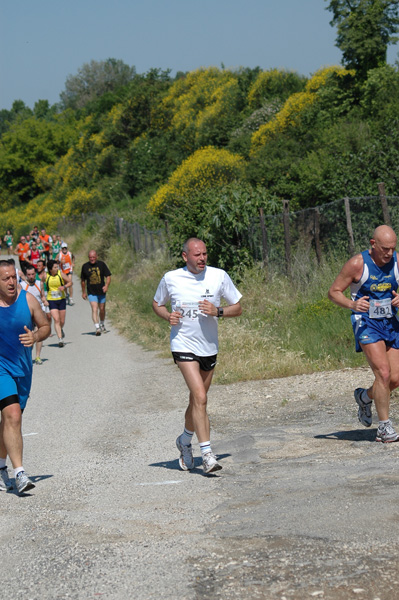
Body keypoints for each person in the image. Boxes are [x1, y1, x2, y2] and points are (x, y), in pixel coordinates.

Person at [153, 237, 242, 473]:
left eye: (204, 254)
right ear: (185, 256)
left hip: (208, 347)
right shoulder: (171, 278)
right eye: (197, 255)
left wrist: (218, 311)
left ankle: (184, 440)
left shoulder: (218, 276)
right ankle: (207, 455)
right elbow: (157, 303)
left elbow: (238, 307)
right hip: (182, 344)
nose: (202, 258)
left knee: (196, 400)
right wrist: (167, 316)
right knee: (201, 397)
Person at [328, 225, 399, 443]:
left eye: (392, 249)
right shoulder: (358, 264)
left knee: (395, 379)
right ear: (373, 244)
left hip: (390, 321)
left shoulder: (397, 261)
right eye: (385, 249)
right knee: (383, 373)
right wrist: (352, 303)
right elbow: (333, 292)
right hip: (366, 322)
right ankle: (384, 428)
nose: (389, 253)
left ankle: (364, 396)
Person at [0, 259, 50, 493]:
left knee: (10, 421)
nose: (11, 282)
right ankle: (20, 473)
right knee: (13, 415)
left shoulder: (28, 299)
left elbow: (45, 326)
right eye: (5, 279)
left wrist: (36, 337)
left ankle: (1, 468)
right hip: (1, 369)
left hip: (23, 369)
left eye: (13, 277)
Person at [80, 250, 111, 336]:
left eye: (93, 257)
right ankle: (97, 327)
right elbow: (83, 280)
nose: (92, 259)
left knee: (102, 309)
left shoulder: (101, 264)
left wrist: (107, 285)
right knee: (94, 308)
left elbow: (108, 276)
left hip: (101, 291)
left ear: (96, 256)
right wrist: (83, 292)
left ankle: (101, 323)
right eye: (90, 257)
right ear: (88, 257)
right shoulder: (85, 266)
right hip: (91, 292)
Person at [22, 266, 48, 365]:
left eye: (33, 274)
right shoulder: (22, 285)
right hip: (27, 314)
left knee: (39, 334)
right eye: (29, 275)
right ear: (26, 275)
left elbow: (42, 296)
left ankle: (37, 356)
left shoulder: (39, 283)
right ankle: (28, 356)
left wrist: (45, 301)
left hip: (39, 313)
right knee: (29, 336)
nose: (31, 276)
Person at [46, 260, 71, 348]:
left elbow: (70, 282)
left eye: (57, 267)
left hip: (61, 299)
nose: (57, 269)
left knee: (62, 321)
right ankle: (60, 339)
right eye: (55, 267)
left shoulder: (61, 274)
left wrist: (64, 287)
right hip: (51, 300)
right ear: (50, 269)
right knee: (56, 320)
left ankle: (61, 329)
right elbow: (40, 284)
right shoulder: (46, 276)